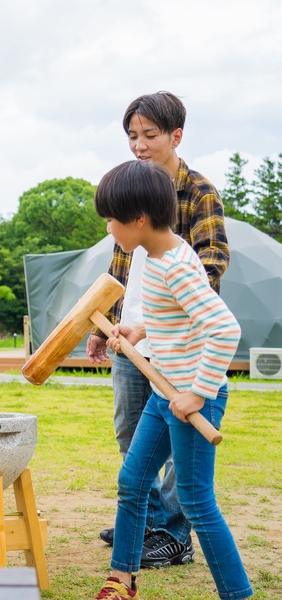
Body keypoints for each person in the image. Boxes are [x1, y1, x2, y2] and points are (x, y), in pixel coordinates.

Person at [92, 160, 251, 600]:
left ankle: (238, 595)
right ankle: (122, 579)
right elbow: (178, 315)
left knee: (197, 501)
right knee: (133, 481)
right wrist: (140, 330)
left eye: (111, 219)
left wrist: (198, 393)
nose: (109, 229)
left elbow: (224, 329)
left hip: (193, 397)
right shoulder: (156, 252)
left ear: (139, 220)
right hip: (166, 393)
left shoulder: (175, 265)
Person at [87, 91, 230, 568]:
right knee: (132, 436)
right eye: (132, 135)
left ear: (175, 136)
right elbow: (120, 272)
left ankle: (173, 533)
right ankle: (143, 524)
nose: (140, 144)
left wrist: (170, 317)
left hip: (182, 348)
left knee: (188, 473)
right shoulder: (128, 196)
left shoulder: (198, 194)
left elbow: (208, 268)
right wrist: (119, 324)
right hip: (139, 336)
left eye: (149, 135)